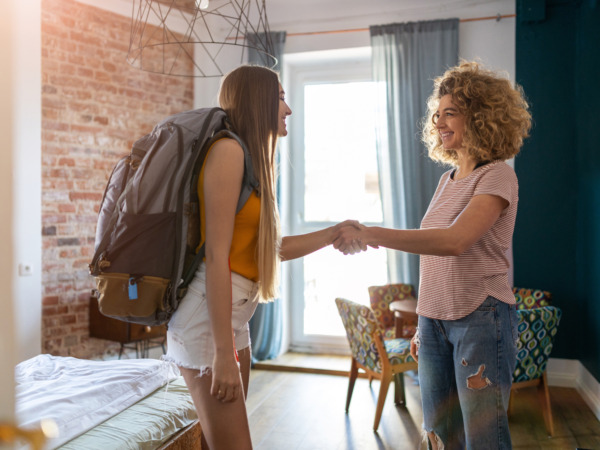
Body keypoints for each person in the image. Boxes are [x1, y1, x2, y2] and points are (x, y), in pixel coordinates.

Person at [162, 64, 365, 450]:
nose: (288, 109)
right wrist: (223, 354)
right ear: (259, 101)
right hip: (208, 323)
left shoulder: (253, 160)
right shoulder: (228, 152)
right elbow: (217, 256)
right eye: (282, 98)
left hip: (231, 319)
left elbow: (266, 251)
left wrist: (331, 233)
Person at [330, 61, 532, 450]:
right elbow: (434, 259)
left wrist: (370, 233)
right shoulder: (447, 180)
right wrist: (425, 323)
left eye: (450, 113)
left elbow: (454, 241)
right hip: (435, 322)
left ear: (481, 116)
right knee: (439, 437)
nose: (439, 122)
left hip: (480, 316)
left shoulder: (498, 176)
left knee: (483, 439)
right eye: (436, 115)